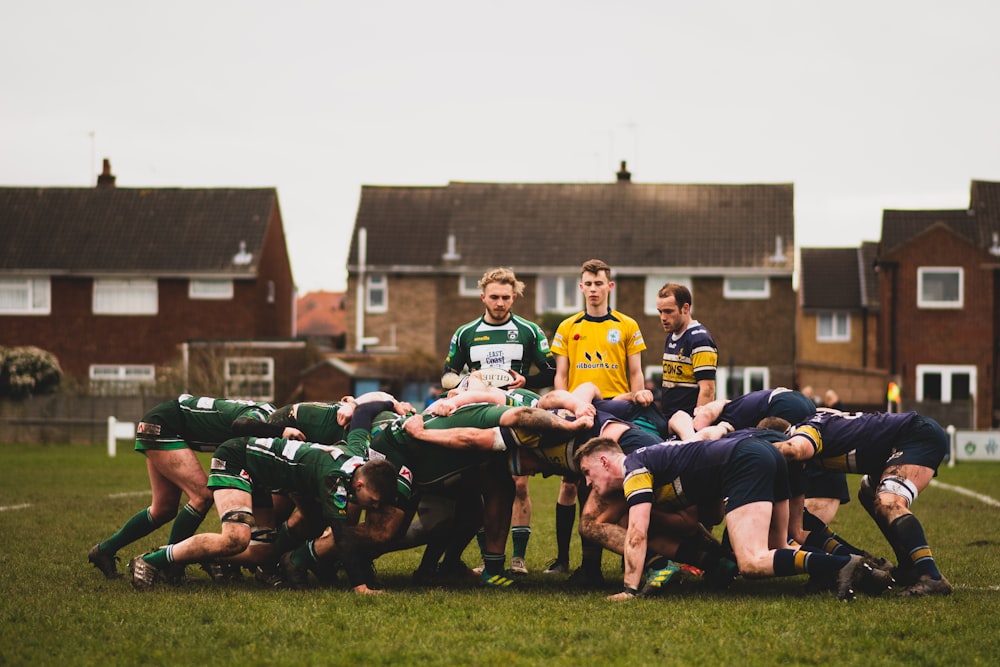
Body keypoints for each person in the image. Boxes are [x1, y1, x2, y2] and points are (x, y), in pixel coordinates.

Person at [575, 434, 891, 602]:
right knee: (779, 545)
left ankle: (845, 565)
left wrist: (629, 589)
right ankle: (860, 566)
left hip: (744, 460)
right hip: (763, 453)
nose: (588, 483)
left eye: (588, 473)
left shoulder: (635, 467)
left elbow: (637, 531)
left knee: (751, 562)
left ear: (604, 461)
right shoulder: (652, 459)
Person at [128, 435, 399, 594]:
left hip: (259, 474)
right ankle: (151, 559)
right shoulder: (336, 479)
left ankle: (195, 556)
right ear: (360, 484)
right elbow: (342, 537)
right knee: (235, 539)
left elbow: (359, 426)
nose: (372, 508)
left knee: (263, 552)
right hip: (238, 461)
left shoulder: (355, 458)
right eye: (373, 502)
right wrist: (360, 586)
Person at [87, 394, 303, 579]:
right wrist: (281, 431)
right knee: (202, 495)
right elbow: (241, 426)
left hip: (164, 423)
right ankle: (168, 564)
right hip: (165, 426)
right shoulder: (261, 415)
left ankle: (104, 550)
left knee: (163, 509)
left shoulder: (267, 418)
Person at [442, 267, 557, 575]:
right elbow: (447, 375)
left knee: (519, 484)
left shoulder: (529, 331)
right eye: (494, 297)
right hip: (478, 410)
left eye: (506, 297)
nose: (500, 303)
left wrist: (526, 379)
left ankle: (517, 559)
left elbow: (551, 370)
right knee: (480, 484)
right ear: (483, 297)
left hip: (514, 409)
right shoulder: (465, 333)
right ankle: (486, 558)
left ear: (514, 297)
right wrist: (468, 379)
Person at [546, 259, 652, 585]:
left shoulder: (627, 325)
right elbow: (560, 377)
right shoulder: (567, 327)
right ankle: (567, 560)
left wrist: (641, 395)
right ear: (581, 288)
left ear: (610, 286)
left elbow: (635, 373)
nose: (593, 289)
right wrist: (563, 409)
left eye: (599, 283)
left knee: (619, 481)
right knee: (573, 483)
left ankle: (622, 560)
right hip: (581, 412)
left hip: (617, 411)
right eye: (588, 284)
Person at [772, 409, 953, 596]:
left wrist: (764, 446)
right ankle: (909, 567)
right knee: (868, 492)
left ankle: (931, 575)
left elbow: (794, 449)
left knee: (889, 502)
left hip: (915, 435)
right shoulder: (813, 422)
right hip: (899, 441)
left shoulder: (804, 431)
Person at [656, 282, 717, 421]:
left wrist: (697, 428)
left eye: (669, 311)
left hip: (688, 423)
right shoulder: (671, 336)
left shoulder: (700, 339)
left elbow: (707, 390)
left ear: (685, 308)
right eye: (660, 311)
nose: (663, 318)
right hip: (669, 420)